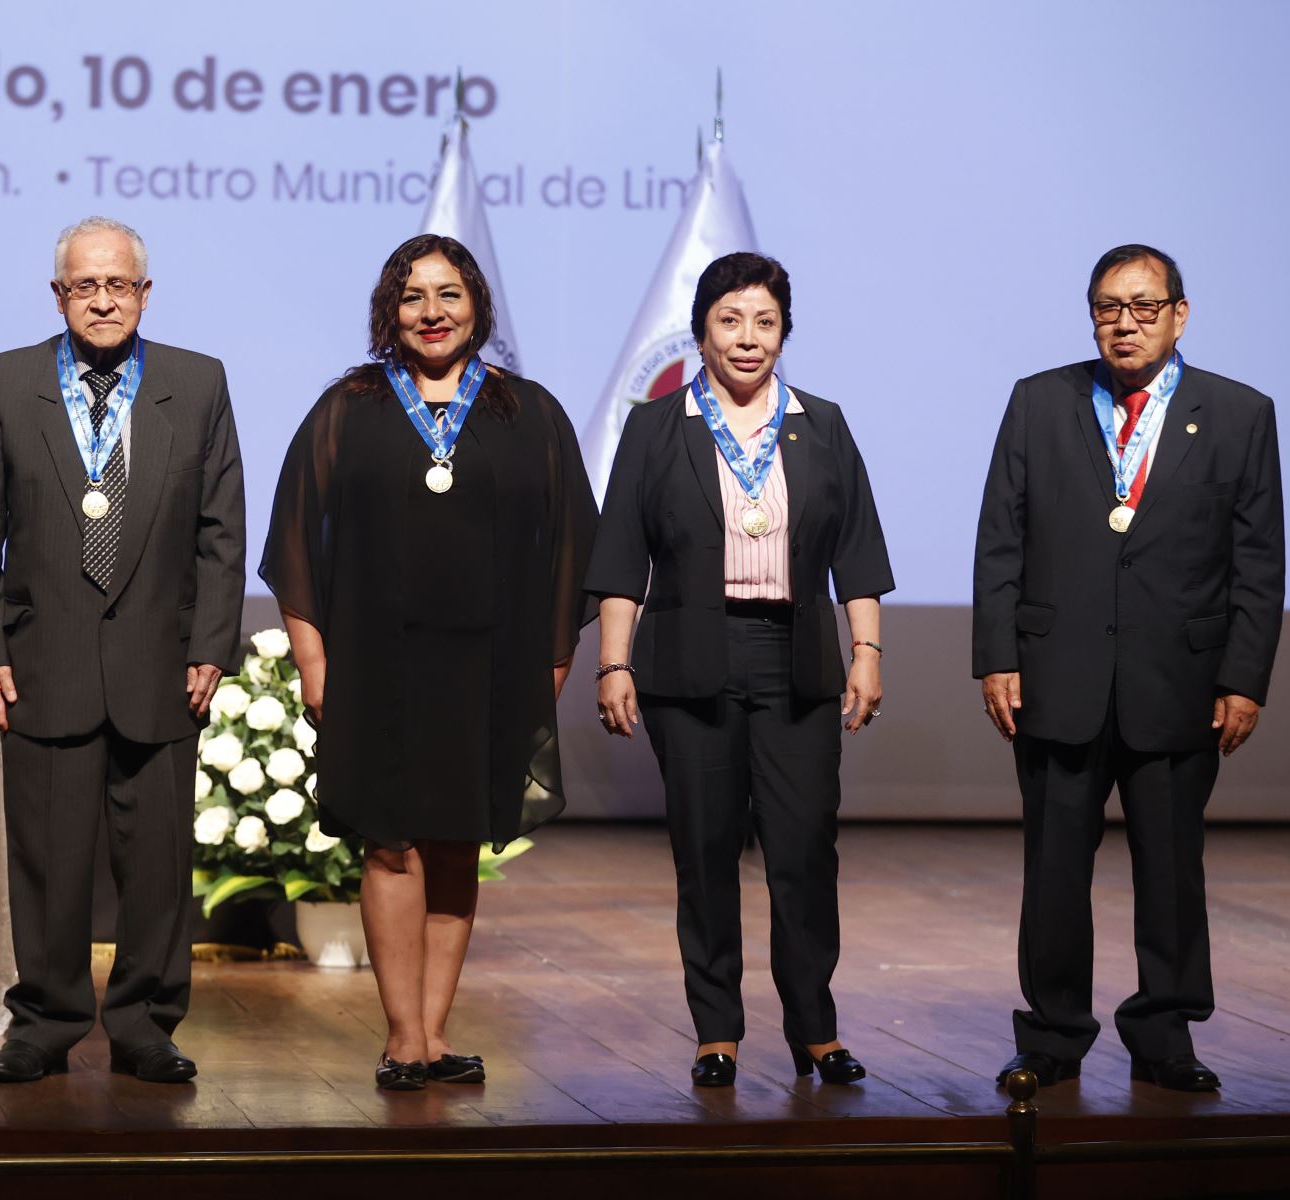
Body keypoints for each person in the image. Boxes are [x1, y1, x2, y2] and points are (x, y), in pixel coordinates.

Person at [262, 234, 596, 1091]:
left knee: (455, 847)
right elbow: (294, 535)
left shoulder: (531, 412)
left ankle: (438, 1033)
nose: (433, 312)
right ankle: (402, 1036)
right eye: (414, 296)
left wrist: (552, 664)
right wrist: (313, 661)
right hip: (377, 667)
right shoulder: (349, 408)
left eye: (449, 294)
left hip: (490, 670)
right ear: (391, 311)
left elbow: (572, 543)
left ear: (477, 305)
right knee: (390, 846)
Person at [975, 244, 1284, 1093]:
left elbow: (1259, 562)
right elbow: (1000, 539)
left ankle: (1165, 1036)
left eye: (1145, 306)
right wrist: (997, 656)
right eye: (1109, 307)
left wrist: (1244, 677)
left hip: (1180, 682)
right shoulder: (1039, 401)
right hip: (1056, 676)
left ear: (1180, 315)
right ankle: (1052, 1034)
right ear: (1092, 318)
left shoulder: (1240, 413)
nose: (1126, 323)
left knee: (1173, 871)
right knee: (1053, 871)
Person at [587, 252, 893, 1089]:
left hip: (796, 661)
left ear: (784, 332)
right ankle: (715, 1031)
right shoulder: (658, 427)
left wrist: (867, 652)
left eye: (765, 321)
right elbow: (621, 560)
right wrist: (613, 662)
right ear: (701, 333)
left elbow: (859, 554)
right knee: (706, 851)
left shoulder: (822, 423)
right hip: (689, 661)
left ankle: (816, 1030)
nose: (748, 338)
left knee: (805, 853)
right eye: (730, 320)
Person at [0, 217, 245, 1085]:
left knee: (157, 865)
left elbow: (221, 528)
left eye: (118, 284)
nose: (103, 300)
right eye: (84, 286)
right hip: (40, 664)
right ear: (58, 296)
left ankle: (145, 1024)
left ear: (144, 294)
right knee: (47, 864)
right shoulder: (5, 381)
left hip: (162, 664)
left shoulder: (197, 382)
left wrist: (212, 644)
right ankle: (44, 1024)